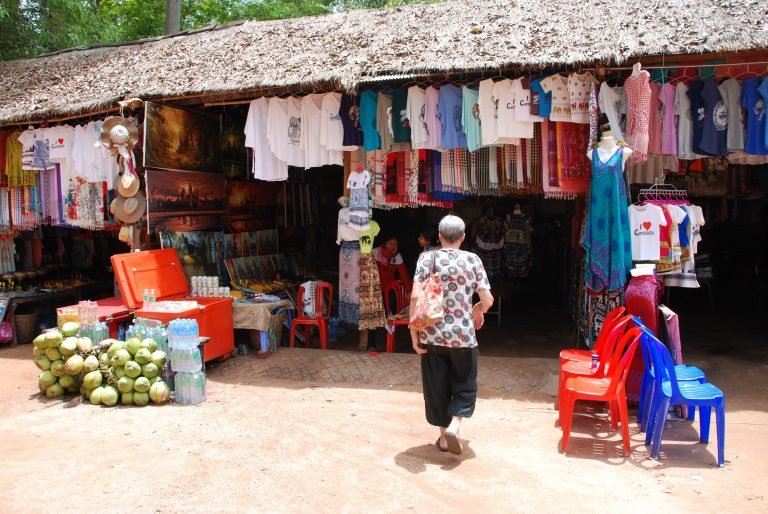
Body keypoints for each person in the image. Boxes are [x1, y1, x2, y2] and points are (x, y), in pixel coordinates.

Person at [410, 215, 494, 455]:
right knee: (464, 383)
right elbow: (487, 299)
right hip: (463, 337)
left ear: (439, 236)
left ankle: (443, 439)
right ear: (463, 237)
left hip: (432, 336)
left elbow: (415, 296)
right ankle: (455, 424)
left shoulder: (427, 258)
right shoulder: (472, 260)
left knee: (437, 387)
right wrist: (478, 308)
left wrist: (414, 333)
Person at [364, 236, 411, 354]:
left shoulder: (397, 257)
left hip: (389, 291)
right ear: (384, 243)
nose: (393, 247)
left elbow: (404, 275)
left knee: (391, 318)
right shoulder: (375, 253)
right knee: (374, 317)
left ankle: (390, 345)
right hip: (375, 290)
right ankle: (371, 345)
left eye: (395, 244)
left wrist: (410, 291)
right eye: (391, 243)